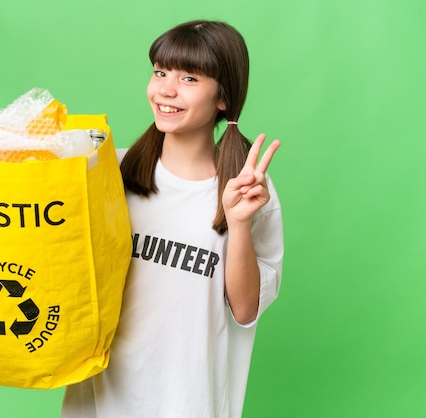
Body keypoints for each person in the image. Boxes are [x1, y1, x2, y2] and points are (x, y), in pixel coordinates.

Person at [60, 19, 284, 418]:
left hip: (190, 403)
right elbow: (64, 267)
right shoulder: (108, 171)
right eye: (160, 72)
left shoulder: (246, 192)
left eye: (189, 78)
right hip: (99, 402)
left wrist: (239, 223)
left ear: (223, 98)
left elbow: (245, 310)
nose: (165, 89)